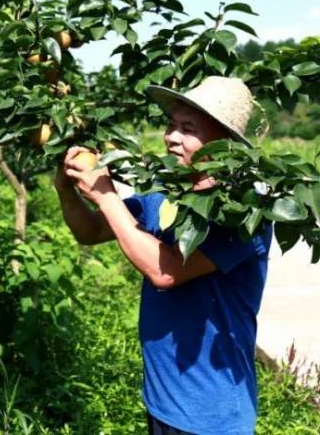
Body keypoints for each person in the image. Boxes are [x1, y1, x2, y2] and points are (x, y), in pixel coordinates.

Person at [55, 76, 271, 435]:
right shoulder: (166, 192)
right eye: (171, 124)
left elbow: (166, 271)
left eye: (188, 129)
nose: (171, 136)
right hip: (163, 400)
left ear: (226, 144)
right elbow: (91, 231)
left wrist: (107, 195)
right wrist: (66, 188)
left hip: (211, 415)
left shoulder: (244, 210)